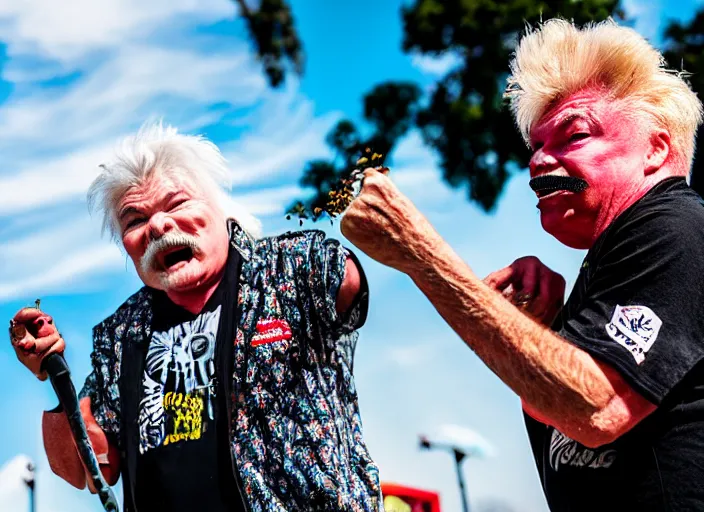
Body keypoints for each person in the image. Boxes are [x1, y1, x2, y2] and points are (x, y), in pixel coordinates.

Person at [340, 18, 704, 511]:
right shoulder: (615, 254)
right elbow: (563, 416)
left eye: (573, 135)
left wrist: (419, 252)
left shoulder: (674, 226)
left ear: (655, 149)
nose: (537, 162)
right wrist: (543, 329)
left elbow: (595, 408)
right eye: (536, 146)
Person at [10, 122, 382, 511]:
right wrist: (51, 373)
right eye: (134, 221)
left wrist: (382, 223)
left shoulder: (291, 270)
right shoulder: (122, 334)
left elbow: (347, 279)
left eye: (177, 204)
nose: (157, 225)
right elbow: (86, 471)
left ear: (219, 207)